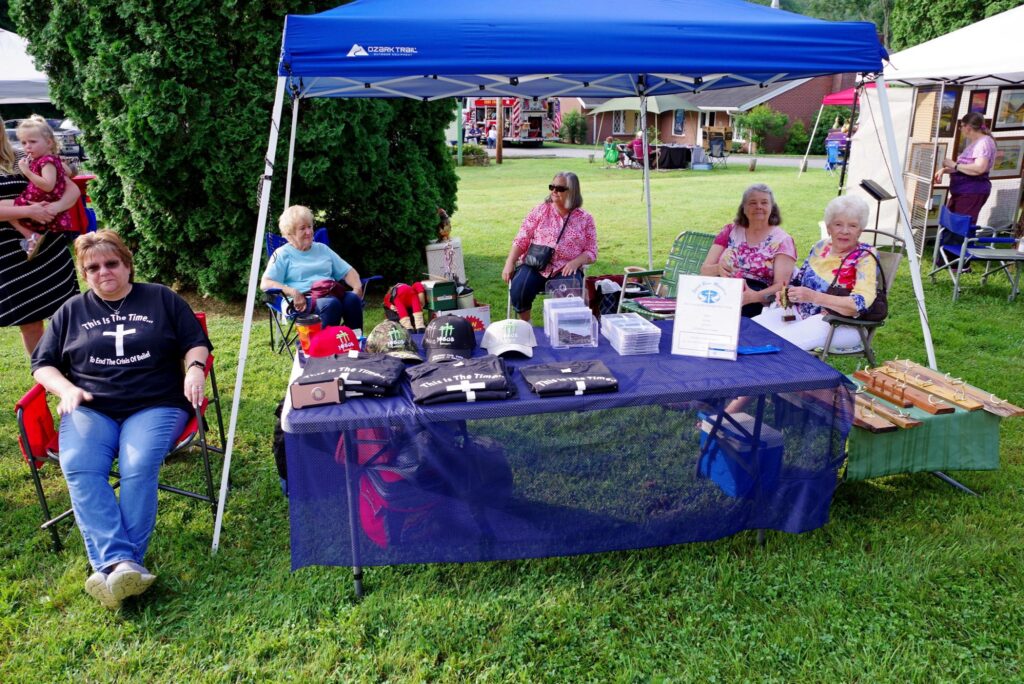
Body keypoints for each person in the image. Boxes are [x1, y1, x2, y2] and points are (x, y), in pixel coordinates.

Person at [30, 230, 212, 609]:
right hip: (91, 407)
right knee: (79, 464)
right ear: (84, 274)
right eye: (92, 267)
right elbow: (42, 364)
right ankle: (122, 564)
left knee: (138, 463)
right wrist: (66, 390)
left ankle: (113, 567)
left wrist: (194, 370)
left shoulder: (160, 297)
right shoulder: (72, 311)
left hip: (155, 403)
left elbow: (196, 341)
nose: (103, 272)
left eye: (111, 263)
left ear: (127, 265)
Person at [752, 195, 880, 351]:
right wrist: (786, 294)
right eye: (838, 224)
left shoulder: (865, 256)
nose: (845, 231)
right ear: (828, 228)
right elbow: (798, 282)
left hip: (839, 324)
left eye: (852, 226)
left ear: (860, 231)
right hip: (798, 313)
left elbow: (858, 305)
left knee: (775, 345)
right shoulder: (820, 247)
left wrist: (813, 297)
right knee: (751, 331)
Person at [0, 115, 82, 356]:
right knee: (30, 321)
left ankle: (79, 369)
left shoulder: (22, 157)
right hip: (9, 254)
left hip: (49, 245)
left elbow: (72, 184)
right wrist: (30, 210)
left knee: (66, 314)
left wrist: (54, 208)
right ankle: (46, 374)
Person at [502, 171, 598, 322]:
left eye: (560, 188)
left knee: (570, 296)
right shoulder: (539, 211)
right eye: (552, 187)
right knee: (519, 288)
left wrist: (576, 262)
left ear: (572, 192)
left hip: (565, 268)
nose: (554, 191)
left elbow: (591, 251)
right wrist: (509, 262)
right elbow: (522, 238)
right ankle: (526, 324)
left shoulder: (585, 219)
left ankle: (564, 331)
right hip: (535, 264)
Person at [260, 204, 364, 336]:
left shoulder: (322, 249)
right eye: (302, 229)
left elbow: (348, 270)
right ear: (290, 234)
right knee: (331, 304)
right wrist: (292, 291)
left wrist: (357, 288)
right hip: (304, 299)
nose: (309, 232)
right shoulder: (282, 254)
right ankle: (325, 349)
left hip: (331, 293)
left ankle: (355, 344)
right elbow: (266, 283)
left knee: (352, 299)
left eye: (309, 226)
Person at [700, 183, 797, 317]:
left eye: (764, 202)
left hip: (757, 298)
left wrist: (754, 296)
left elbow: (781, 285)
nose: (759, 206)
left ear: (772, 208)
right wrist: (718, 269)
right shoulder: (730, 231)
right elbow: (704, 270)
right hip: (721, 290)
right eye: (752, 202)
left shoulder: (782, 240)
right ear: (743, 208)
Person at [0, 116, 73, 258]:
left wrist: (54, 207)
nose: (27, 145)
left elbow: (72, 187)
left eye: (32, 141)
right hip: (7, 258)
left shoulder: (25, 157)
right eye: (24, 142)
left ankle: (31, 236)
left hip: (52, 248)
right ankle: (30, 235)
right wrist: (29, 210)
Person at [933, 112, 997, 266]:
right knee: (953, 224)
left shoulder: (984, 143)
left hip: (972, 191)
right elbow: (966, 168)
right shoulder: (976, 143)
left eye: (961, 126)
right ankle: (948, 260)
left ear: (968, 127)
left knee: (961, 225)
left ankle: (958, 264)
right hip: (963, 191)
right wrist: (946, 170)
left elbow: (979, 168)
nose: (961, 129)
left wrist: (953, 165)